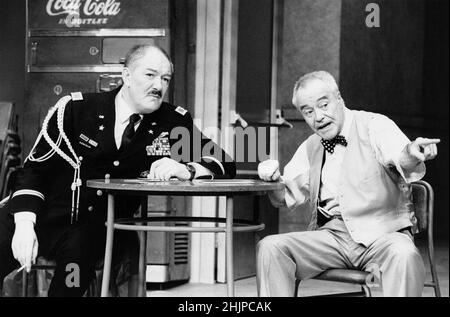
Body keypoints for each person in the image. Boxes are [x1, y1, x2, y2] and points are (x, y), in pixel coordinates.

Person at [0, 44, 236, 296]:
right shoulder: (76, 109)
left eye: (165, 78)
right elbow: (33, 171)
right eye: (150, 75)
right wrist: (24, 223)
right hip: (38, 211)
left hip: (91, 230)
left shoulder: (173, 122)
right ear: (126, 76)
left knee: (73, 274)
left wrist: (187, 168)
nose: (159, 85)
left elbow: (224, 162)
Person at [257, 71, 439, 297]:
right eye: (308, 111)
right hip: (333, 238)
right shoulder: (311, 146)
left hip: (383, 234)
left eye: (324, 105)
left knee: (404, 255)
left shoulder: (375, 125)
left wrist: (412, 153)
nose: (318, 117)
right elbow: (284, 198)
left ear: (339, 99)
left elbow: (401, 158)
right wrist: (274, 181)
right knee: (271, 247)